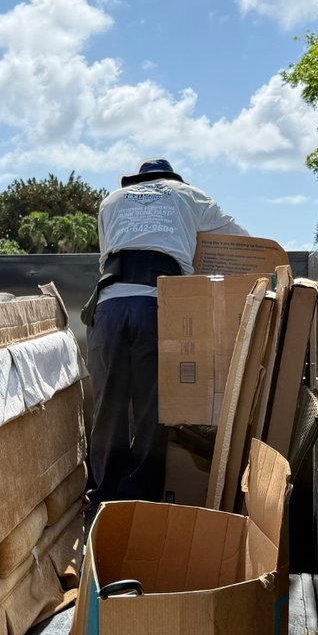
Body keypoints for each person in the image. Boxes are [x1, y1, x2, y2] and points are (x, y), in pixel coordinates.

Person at [84, 158, 247, 514]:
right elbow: (241, 242)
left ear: (138, 179)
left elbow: (105, 255)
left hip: (109, 307)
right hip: (158, 306)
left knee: (108, 408)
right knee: (151, 409)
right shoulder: (188, 195)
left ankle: (101, 502)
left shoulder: (111, 200)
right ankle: (141, 504)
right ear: (172, 177)